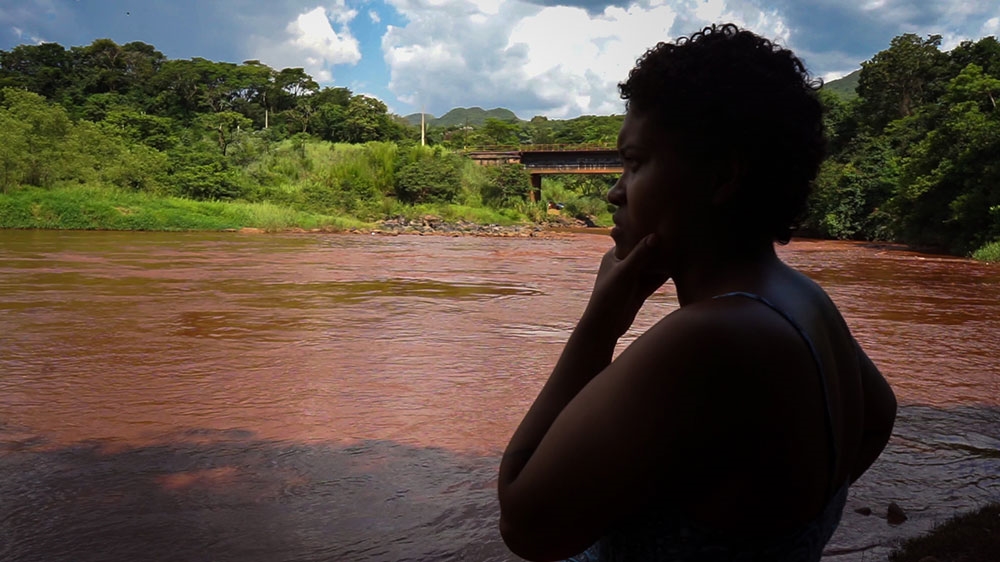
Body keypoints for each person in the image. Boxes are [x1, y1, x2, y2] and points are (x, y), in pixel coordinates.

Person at [497, 24, 897, 562]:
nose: (615, 190)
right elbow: (878, 416)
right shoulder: (804, 300)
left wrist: (599, 323)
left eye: (635, 163)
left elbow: (525, 526)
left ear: (721, 177)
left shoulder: (709, 339)